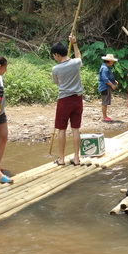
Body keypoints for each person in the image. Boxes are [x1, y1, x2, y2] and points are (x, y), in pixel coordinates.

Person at [51, 35, 83, 166]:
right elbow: (79, 57)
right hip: (77, 99)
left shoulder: (56, 69)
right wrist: (74, 43)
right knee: (75, 129)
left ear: (57, 55)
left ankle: (62, 158)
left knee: (62, 129)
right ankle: (76, 158)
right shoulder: (76, 63)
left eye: (54, 56)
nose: (54, 58)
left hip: (64, 100)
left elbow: (57, 83)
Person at [99, 53, 118, 122]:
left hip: (106, 87)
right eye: (112, 61)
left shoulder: (105, 67)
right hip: (104, 87)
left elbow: (107, 77)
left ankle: (105, 116)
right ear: (110, 61)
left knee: (105, 102)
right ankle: (104, 117)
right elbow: (105, 79)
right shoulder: (105, 68)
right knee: (105, 102)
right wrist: (112, 85)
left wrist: (114, 81)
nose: (112, 63)